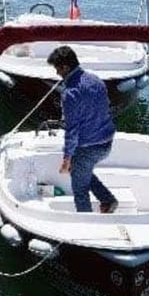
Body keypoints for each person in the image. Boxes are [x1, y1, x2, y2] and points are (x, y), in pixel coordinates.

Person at [47, 45, 118, 213]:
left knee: (80, 190)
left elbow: (71, 130)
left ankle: (86, 222)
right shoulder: (96, 80)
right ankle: (107, 200)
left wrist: (66, 159)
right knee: (81, 171)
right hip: (106, 143)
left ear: (65, 67)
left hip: (88, 148)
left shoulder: (70, 93)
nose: (57, 73)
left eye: (57, 68)